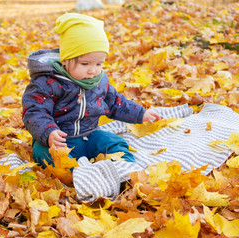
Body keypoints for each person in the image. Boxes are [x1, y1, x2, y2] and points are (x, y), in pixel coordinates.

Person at [22, 13, 161, 168]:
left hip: (90, 135)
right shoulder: (47, 83)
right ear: (66, 60)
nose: (92, 71)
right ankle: (78, 176)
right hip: (60, 140)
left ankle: (125, 170)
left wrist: (140, 113)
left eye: (99, 64)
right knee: (48, 156)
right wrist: (49, 133)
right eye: (85, 64)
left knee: (114, 143)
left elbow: (115, 102)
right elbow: (35, 112)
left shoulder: (99, 81)